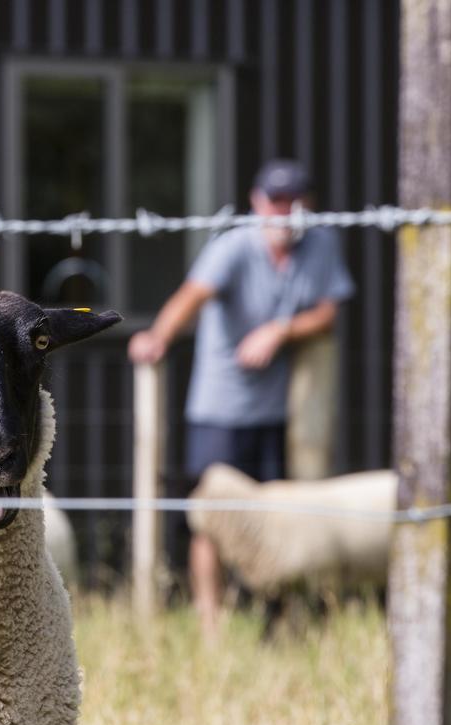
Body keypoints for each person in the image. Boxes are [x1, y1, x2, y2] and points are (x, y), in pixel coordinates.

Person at [128, 159, 355, 634]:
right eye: (275, 201)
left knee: (277, 517)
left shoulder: (322, 244)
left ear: (306, 205)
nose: (284, 212)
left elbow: (329, 313)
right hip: (220, 410)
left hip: (279, 412)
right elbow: (191, 296)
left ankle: (280, 621)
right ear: (257, 203)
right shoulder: (232, 247)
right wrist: (159, 338)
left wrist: (279, 330)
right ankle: (211, 625)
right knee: (209, 517)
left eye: (293, 201)